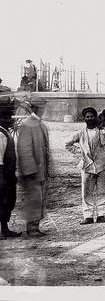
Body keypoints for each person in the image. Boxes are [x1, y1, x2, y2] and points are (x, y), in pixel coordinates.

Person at [65, 107, 105, 224]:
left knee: (103, 191)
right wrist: (79, 153)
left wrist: (102, 128)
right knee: (86, 192)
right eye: (87, 117)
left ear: (95, 117)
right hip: (87, 166)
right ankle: (88, 216)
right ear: (84, 118)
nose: (90, 119)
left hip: (101, 164)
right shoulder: (80, 133)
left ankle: (101, 215)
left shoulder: (102, 131)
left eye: (92, 116)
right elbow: (67, 144)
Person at [14, 98, 49, 237]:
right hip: (32, 172)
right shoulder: (28, 125)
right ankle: (31, 228)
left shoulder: (40, 124)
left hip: (40, 170)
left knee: (39, 198)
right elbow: (25, 149)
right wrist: (29, 170)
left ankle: (35, 226)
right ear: (37, 108)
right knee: (34, 198)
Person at [0, 96, 20, 237]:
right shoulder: (1, 134)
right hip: (3, 175)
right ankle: (3, 230)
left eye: (9, 118)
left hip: (8, 174)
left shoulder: (5, 132)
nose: (9, 121)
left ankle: (5, 228)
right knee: (3, 200)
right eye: (5, 118)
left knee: (8, 200)